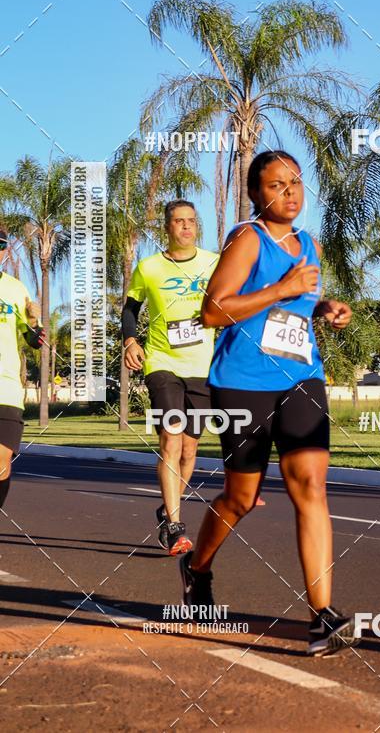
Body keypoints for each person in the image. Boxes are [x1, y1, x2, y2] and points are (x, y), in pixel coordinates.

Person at [180, 151, 360, 657]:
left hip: (301, 376)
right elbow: (213, 311)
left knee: (311, 485)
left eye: (296, 182)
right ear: (257, 194)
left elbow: (298, 304)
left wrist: (325, 308)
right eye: (277, 184)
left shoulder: (308, 244)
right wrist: (282, 288)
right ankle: (197, 568)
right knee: (240, 498)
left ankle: (322, 617)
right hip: (243, 382)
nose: (290, 192)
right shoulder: (247, 238)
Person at [122, 200, 218, 556]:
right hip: (162, 363)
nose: (186, 226)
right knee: (171, 440)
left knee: (190, 450)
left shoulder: (214, 263)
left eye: (191, 220)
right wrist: (130, 341)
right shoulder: (149, 267)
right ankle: (175, 526)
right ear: (167, 227)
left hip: (203, 366)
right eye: (179, 221)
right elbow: (130, 309)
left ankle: (168, 506)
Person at [0, 229, 44, 509]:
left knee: (2, 461)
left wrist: (34, 322)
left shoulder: (15, 289)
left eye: (0, 246)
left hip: (6, 386)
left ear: (5, 251)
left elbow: (34, 341)